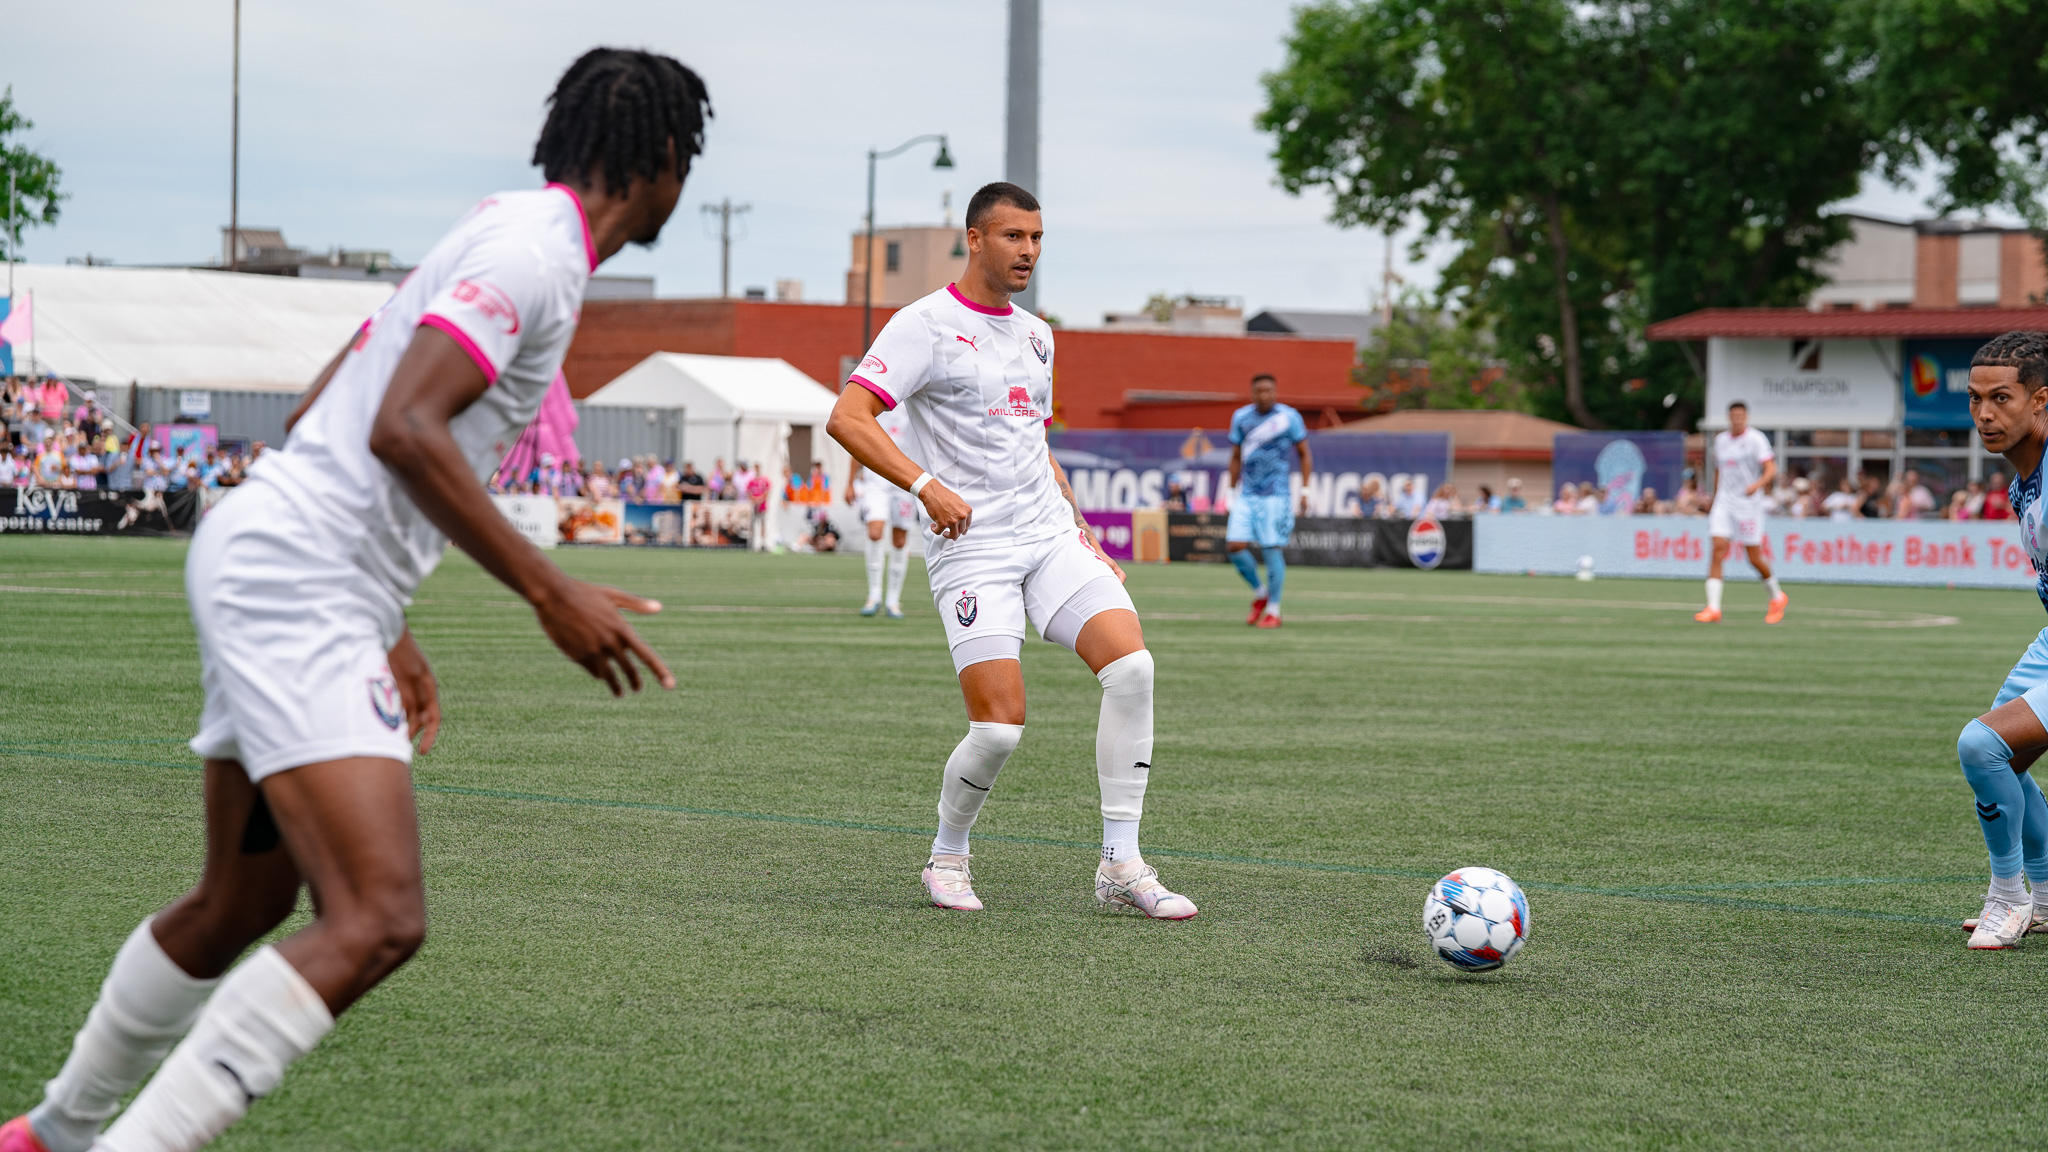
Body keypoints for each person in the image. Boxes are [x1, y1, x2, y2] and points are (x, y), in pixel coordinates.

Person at [0, 49, 706, 1152]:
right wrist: (548, 590)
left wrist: (393, 620)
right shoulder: (534, 255)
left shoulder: (502, 228)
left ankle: (49, 1133)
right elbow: (400, 425)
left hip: (284, 555)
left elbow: (331, 398)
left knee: (240, 904)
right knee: (376, 919)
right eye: (688, 161)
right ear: (662, 156)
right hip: (299, 574)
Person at [827, 180, 1196, 922]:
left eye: (1035, 238)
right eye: (1012, 237)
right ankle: (946, 856)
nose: (1027, 251)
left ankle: (1121, 864)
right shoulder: (922, 325)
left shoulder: (1038, 333)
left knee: (1132, 668)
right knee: (998, 728)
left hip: (1049, 536)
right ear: (974, 239)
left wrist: (1078, 521)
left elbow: (1036, 441)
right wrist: (925, 484)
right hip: (972, 549)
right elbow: (848, 416)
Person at [1942, 332, 2048, 948]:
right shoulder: (2022, 482)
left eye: (2001, 398)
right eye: (1976, 399)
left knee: (1982, 747)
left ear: (2040, 402)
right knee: (2003, 758)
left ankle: (2008, 898)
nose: (1985, 413)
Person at [1223, 375, 1310, 629]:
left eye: (1268, 391)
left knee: (1272, 549)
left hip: (1276, 494)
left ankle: (1274, 610)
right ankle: (1260, 594)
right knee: (1234, 546)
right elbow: (1236, 455)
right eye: (1259, 391)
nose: (1264, 395)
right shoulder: (1241, 417)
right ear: (1252, 393)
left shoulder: (1289, 417)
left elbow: (1305, 454)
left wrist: (1305, 490)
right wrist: (1229, 490)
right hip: (1247, 494)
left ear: (1275, 392)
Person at [1695, 400, 1788, 625]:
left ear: (1746, 417)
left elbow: (1771, 468)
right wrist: (1714, 496)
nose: (1737, 420)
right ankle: (1713, 607)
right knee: (1717, 548)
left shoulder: (1755, 439)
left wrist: (1757, 485)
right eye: (1733, 416)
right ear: (1729, 418)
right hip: (1724, 503)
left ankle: (1777, 596)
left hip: (1748, 505)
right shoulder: (1721, 441)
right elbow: (1720, 472)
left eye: (1741, 416)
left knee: (1753, 557)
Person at [845, 398, 921, 618]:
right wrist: (849, 483)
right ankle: (874, 595)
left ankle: (893, 600)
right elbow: (856, 441)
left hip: (905, 479)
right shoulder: (873, 401)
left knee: (899, 540)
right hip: (876, 479)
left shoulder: (913, 402)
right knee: (875, 532)